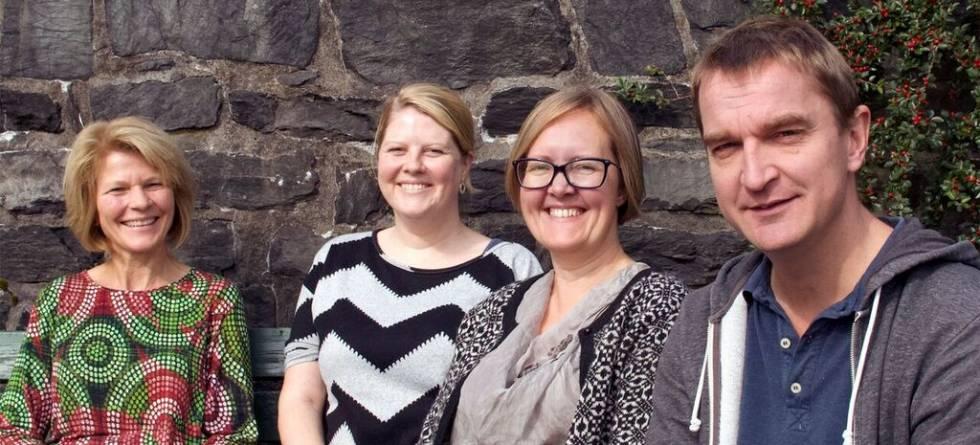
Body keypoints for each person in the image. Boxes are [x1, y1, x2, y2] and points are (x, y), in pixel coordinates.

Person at [647, 16, 980, 445]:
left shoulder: (955, 319)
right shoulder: (702, 324)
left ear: (854, 139)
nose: (755, 176)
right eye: (726, 147)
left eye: (786, 134)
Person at [418, 86, 687, 444]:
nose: (559, 187)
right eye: (540, 167)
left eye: (585, 166)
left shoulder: (659, 310)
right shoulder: (490, 313)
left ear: (622, 186)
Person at [278, 83, 542, 444]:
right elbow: (302, 397)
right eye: (397, 150)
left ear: (465, 164)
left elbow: (524, 412)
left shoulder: (511, 270)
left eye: (433, 151)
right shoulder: (335, 261)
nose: (413, 166)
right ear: (379, 160)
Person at [0, 117, 258, 443]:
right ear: (92, 204)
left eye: (153, 184)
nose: (140, 202)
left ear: (175, 195)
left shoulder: (214, 300)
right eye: (118, 189)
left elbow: (233, 436)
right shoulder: (60, 299)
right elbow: (13, 428)